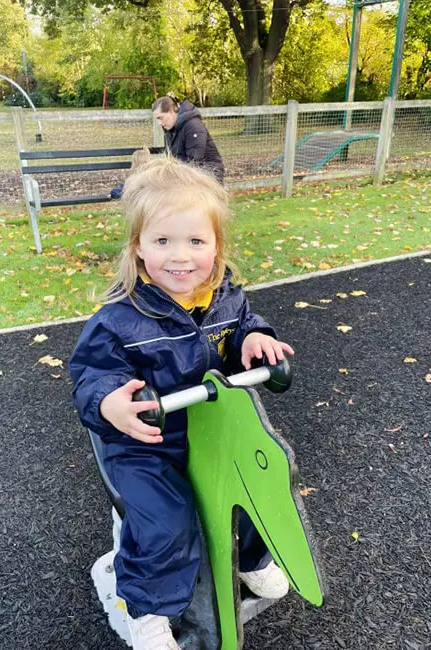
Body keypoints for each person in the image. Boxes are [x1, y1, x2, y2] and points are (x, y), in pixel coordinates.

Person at [70, 157, 294, 650]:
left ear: (217, 245)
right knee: (165, 522)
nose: (181, 257)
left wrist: (254, 340)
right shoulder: (119, 318)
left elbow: (241, 327)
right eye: (163, 241)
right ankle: (145, 609)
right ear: (139, 246)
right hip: (144, 442)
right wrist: (111, 404)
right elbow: (90, 375)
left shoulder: (225, 297)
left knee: (254, 483)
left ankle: (251, 560)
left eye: (196, 241)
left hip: (206, 427)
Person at [153, 95, 225, 183]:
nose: (159, 123)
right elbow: (173, 155)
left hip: (208, 176)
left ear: (171, 111)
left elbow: (194, 162)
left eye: (160, 118)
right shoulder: (170, 129)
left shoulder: (193, 126)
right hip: (187, 174)